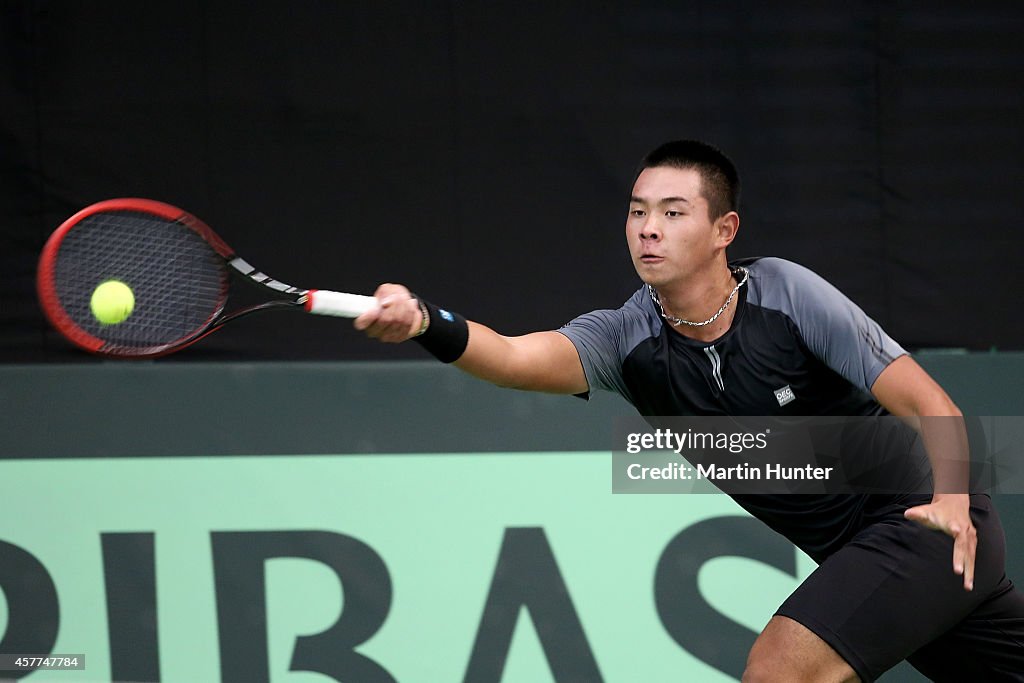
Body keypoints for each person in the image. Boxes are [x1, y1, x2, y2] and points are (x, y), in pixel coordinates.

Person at [353, 140, 1024, 681]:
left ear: (722, 229)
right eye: (638, 210)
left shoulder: (788, 298)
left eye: (673, 212)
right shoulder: (625, 340)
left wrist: (953, 500)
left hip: (926, 523)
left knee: (778, 673)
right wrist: (422, 323)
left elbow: (930, 400)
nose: (648, 228)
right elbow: (512, 358)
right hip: (869, 555)